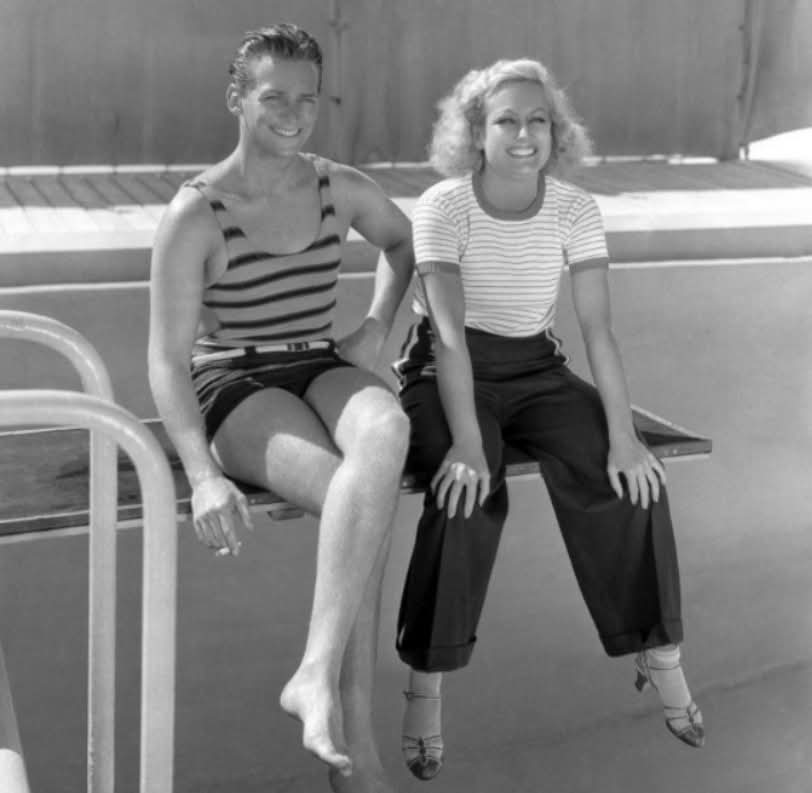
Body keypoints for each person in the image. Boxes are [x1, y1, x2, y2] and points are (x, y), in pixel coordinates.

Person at [394, 58, 704, 780]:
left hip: (537, 369)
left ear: (555, 131)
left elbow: (597, 330)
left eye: (538, 119)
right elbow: (446, 333)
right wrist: (469, 443)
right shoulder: (442, 205)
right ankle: (426, 684)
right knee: (468, 492)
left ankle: (659, 654)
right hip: (446, 368)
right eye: (506, 119)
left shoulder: (573, 208)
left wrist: (624, 437)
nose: (524, 133)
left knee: (634, 479)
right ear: (476, 131)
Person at [148, 24, 414, 792]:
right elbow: (166, 360)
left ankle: (313, 677)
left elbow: (404, 245)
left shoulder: (339, 186)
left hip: (317, 361)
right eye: (273, 97)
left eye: (307, 99)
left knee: (387, 427)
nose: (293, 113)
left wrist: (374, 328)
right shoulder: (196, 214)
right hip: (232, 381)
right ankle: (355, 741)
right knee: (354, 495)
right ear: (237, 97)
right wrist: (202, 474)